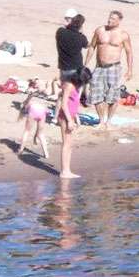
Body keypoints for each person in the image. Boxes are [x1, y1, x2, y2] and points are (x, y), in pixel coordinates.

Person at [54, 11, 89, 178]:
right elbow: (86, 43)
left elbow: (61, 27)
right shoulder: (80, 37)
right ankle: (65, 171)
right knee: (66, 143)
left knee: (67, 95)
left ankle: (66, 170)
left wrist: (75, 118)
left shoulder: (60, 33)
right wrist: (69, 119)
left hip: (64, 68)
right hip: (74, 69)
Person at [88, 10, 133, 126]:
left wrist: (130, 70)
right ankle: (101, 120)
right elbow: (92, 47)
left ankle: (108, 121)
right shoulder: (100, 31)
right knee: (95, 93)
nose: (110, 20)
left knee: (113, 96)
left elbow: (129, 52)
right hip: (99, 67)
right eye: (109, 18)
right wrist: (85, 63)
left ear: (119, 21)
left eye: (113, 19)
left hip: (114, 68)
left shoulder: (123, 35)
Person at [18, 80, 51, 158]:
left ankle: (21, 149)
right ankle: (46, 153)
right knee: (41, 134)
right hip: (42, 111)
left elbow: (26, 104)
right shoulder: (44, 93)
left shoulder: (31, 93)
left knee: (27, 131)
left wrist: (24, 107)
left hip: (33, 111)